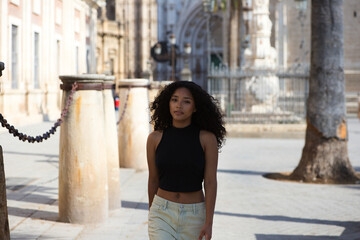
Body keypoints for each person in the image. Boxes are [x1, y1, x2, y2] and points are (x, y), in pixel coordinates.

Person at [147, 81, 226, 240]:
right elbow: (153, 179)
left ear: (195, 107)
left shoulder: (206, 139)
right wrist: (152, 212)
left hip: (195, 216)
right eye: (174, 100)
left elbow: (210, 182)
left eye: (186, 101)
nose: (179, 105)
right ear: (168, 103)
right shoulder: (154, 139)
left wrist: (209, 222)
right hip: (161, 214)